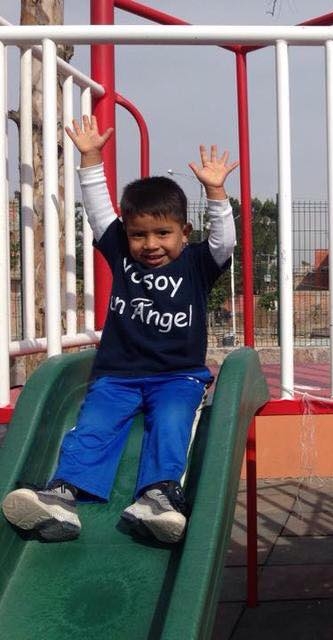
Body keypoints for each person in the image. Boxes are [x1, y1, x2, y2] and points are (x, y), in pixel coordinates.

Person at [2, 115, 238, 543]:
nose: (150, 244)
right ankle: (63, 496)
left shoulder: (198, 264)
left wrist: (216, 193)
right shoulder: (122, 256)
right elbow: (99, 213)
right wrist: (91, 157)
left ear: (185, 232)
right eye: (139, 235)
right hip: (117, 376)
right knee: (93, 425)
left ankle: (157, 497)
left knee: (172, 423)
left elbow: (224, 241)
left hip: (177, 376)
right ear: (126, 236)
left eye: (163, 233)